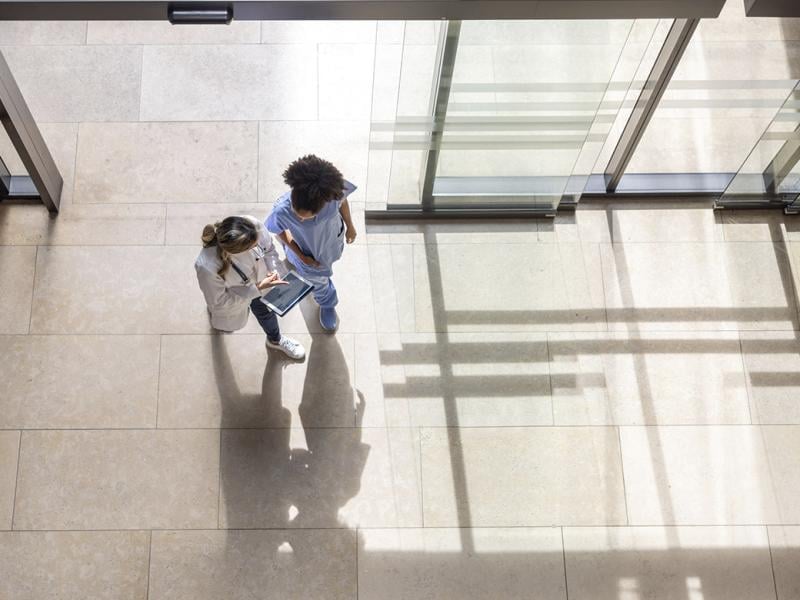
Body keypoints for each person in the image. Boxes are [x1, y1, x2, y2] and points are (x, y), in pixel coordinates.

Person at [266, 155, 357, 332]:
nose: (299, 218)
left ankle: (292, 256)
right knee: (319, 283)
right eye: (296, 213)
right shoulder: (282, 211)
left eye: (305, 217)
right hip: (309, 256)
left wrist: (350, 226)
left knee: (327, 263)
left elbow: (343, 202)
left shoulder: (331, 193)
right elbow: (278, 230)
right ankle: (327, 303)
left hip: (332, 241)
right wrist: (301, 256)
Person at [196, 215, 305, 360]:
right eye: (252, 247)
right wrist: (257, 288)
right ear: (236, 251)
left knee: (266, 314)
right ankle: (216, 319)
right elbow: (220, 302)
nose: (257, 247)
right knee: (223, 319)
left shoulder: (251, 225)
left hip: (263, 285)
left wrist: (274, 269)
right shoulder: (206, 266)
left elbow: (268, 250)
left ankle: (275, 340)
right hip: (239, 295)